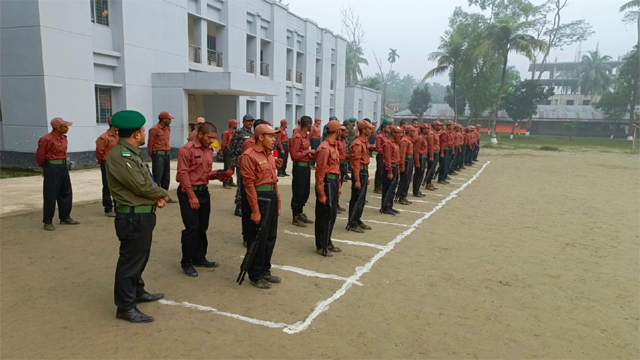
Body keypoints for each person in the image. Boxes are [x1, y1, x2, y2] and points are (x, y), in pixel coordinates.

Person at [106, 110, 169, 323]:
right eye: (143, 131)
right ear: (135, 134)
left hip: (141, 214)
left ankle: (137, 291)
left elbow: (146, 182)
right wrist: (162, 195)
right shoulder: (120, 156)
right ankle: (125, 306)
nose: (145, 134)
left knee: (139, 258)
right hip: (132, 217)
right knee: (130, 261)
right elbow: (140, 185)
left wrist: (155, 197)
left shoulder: (132, 153)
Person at [176, 122, 233, 277]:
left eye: (214, 138)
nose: (211, 141)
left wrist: (220, 175)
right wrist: (191, 196)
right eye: (209, 137)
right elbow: (183, 174)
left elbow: (204, 173)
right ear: (200, 134)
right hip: (189, 193)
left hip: (203, 192)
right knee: (192, 228)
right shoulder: (185, 150)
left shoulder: (209, 151)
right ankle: (186, 262)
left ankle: (199, 258)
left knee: (202, 227)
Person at [240, 124, 281, 288]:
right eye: (271, 136)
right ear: (261, 137)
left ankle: (265, 270)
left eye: (274, 136)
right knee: (257, 237)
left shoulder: (269, 155)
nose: (274, 139)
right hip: (259, 198)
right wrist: (255, 210)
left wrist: (278, 202)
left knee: (270, 236)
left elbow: (274, 181)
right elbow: (249, 186)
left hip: (271, 196)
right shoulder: (248, 156)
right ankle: (255, 275)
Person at [36, 117, 80, 230]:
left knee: (66, 192)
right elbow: (40, 156)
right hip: (52, 167)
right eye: (65, 126)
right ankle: (48, 221)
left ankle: (65, 217)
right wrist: (45, 168)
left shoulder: (64, 138)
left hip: (63, 166)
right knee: (51, 194)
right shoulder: (47, 139)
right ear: (58, 127)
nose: (67, 128)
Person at [314, 120, 343, 256]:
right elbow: (319, 173)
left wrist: (339, 185)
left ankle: (327, 241)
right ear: (337, 131)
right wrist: (321, 192)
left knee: (331, 214)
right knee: (324, 215)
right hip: (326, 183)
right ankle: (321, 245)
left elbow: (337, 169)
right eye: (341, 130)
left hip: (334, 182)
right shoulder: (324, 148)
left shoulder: (334, 146)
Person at [347, 120, 374, 233]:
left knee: (361, 199)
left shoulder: (364, 142)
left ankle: (357, 220)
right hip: (359, 173)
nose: (371, 130)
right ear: (363, 130)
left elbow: (364, 162)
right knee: (357, 198)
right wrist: (357, 179)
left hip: (363, 172)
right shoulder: (357, 144)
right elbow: (356, 164)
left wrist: (366, 176)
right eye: (369, 129)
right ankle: (352, 222)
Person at [289, 115, 314, 227]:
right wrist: (307, 152)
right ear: (308, 125)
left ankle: (300, 213)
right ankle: (295, 216)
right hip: (299, 167)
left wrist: (310, 154)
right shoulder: (297, 137)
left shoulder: (305, 137)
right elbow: (294, 155)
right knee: (298, 191)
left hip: (305, 167)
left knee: (305, 191)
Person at [228, 114, 255, 217]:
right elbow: (232, 146)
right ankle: (238, 206)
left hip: (250, 162)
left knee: (248, 184)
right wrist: (233, 158)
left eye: (252, 121)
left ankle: (245, 205)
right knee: (241, 184)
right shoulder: (239, 132)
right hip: (241, 161)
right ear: (243, 122)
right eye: (248, 121)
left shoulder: (252, 133)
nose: (250, 123)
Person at [147, 112, 175, 203]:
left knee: (166, 177)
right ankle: (156, 197)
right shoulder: (154, 129)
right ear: (164, 119)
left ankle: (165, 195)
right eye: (169, 119)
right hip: (158, 154)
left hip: (167, 154)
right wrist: (153, 155)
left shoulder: (168, 129)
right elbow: (150, 143)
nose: (170, 121)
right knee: (157, 176)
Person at [96, 118, 119, 217]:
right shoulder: (104, 138)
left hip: (117, 163)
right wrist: (104, 161)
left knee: (118, 185)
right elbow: (99, 152)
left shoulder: (118, 137)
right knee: (107, 185)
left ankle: (118, 207)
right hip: (107, 163)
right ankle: (108, 208)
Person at [380, 126, 402, 215]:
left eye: (400, 133)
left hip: (395, 167)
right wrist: (389, 171)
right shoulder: (388, 144)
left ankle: (390, 206)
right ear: (393, 133)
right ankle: (385, 207)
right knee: (387, 188)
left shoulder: (397, 143)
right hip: (390, 167)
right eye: (398, 133)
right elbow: (388, 158)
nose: (400, 135)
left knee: (393, 188)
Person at [396, 125, 416, 205]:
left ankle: (403, 196)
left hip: (410, 159)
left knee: (408, 178)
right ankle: (401, 196)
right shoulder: (405, 141)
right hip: (407, 160)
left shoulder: (409, 140)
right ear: (409, 132)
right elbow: (402, 153)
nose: (414, 133)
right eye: (413, 131)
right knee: (405, 178)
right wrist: (402, 164)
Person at [412, 123, 429, 198]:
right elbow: (416, 151)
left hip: (423, 157)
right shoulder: (420, 138)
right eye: (426, 129)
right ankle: (416, 190)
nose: (428, 130)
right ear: (423, 130)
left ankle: (417, 189)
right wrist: (417, 162)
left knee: (421, 174)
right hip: (420, 157)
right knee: (418, 174)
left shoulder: (424, 137)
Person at [221, 119, 239, 189]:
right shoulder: (226, 133)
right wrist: (223, 152)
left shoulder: (233, 133)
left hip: (232, 151)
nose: (236, 125)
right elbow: (224, 144)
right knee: (227, 167)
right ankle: (225, 183)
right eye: (235, 124)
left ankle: (230, 181)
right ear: (232, 125)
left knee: (232, 167)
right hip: (227, 150)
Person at [424, 121, 441, 191]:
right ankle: (427, 183)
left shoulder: (436, 133)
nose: (440, 127)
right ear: (435, 126)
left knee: (433, 168)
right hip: (433, 152)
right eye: (439, 125)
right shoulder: (431, 134)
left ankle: (429, 182)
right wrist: (431, 156)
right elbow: (430, 145)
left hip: (436, 152)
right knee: (430, 168)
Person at [373, 122, 390, 194]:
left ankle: (381, 185)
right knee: (380, 171)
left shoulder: (386, 136)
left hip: (385, 156)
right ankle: (377, 186)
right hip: (381, 156)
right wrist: (385, 152)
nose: (389, 129)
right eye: (387, 128)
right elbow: (378, 148)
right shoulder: (379, 137)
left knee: (384, 171)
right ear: (383, 128)